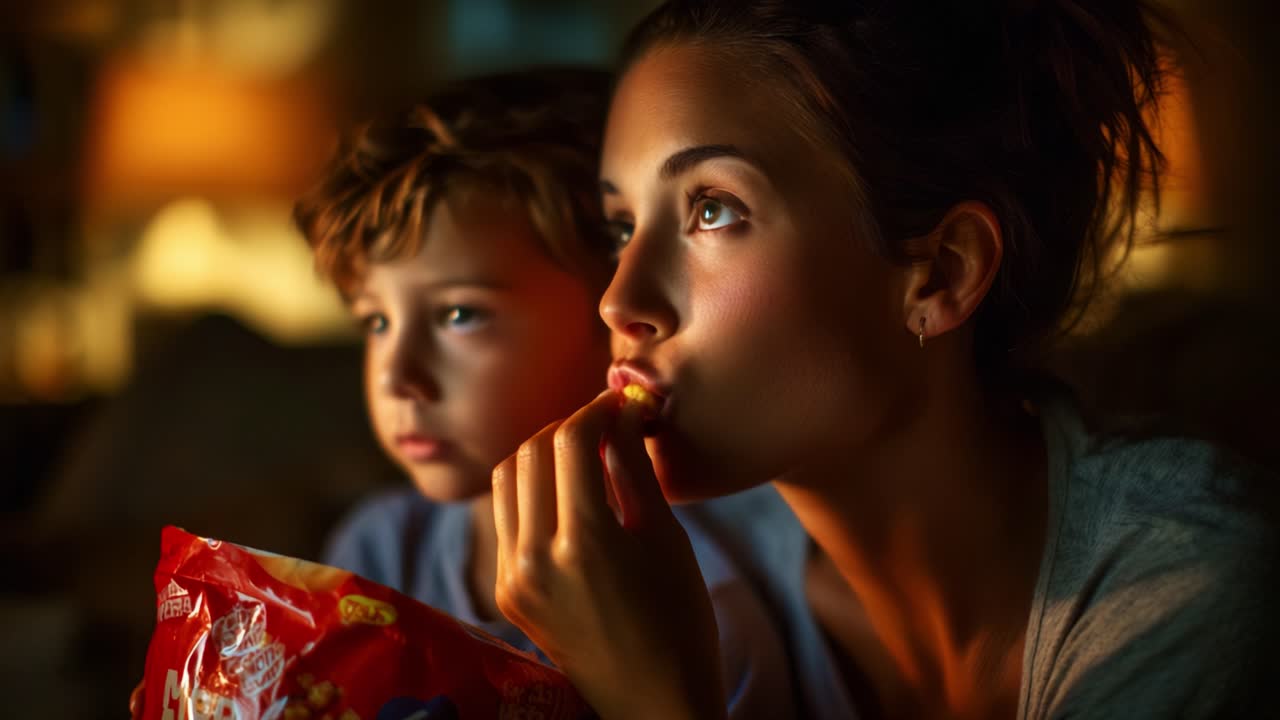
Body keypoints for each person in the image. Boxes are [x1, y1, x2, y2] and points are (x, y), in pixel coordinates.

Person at [488, 4, 1280, 720]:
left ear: (942, 274)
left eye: (712, 209)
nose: (619, 301)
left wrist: (653, 702)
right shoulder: (672, 572)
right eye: (623, 225)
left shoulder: (1191, 593)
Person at [292, 68, 796, 719]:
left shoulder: (690, 603)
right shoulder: (379, 551)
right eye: (377, 321)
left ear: (613, 314)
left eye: (457, 315)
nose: (397, 376)